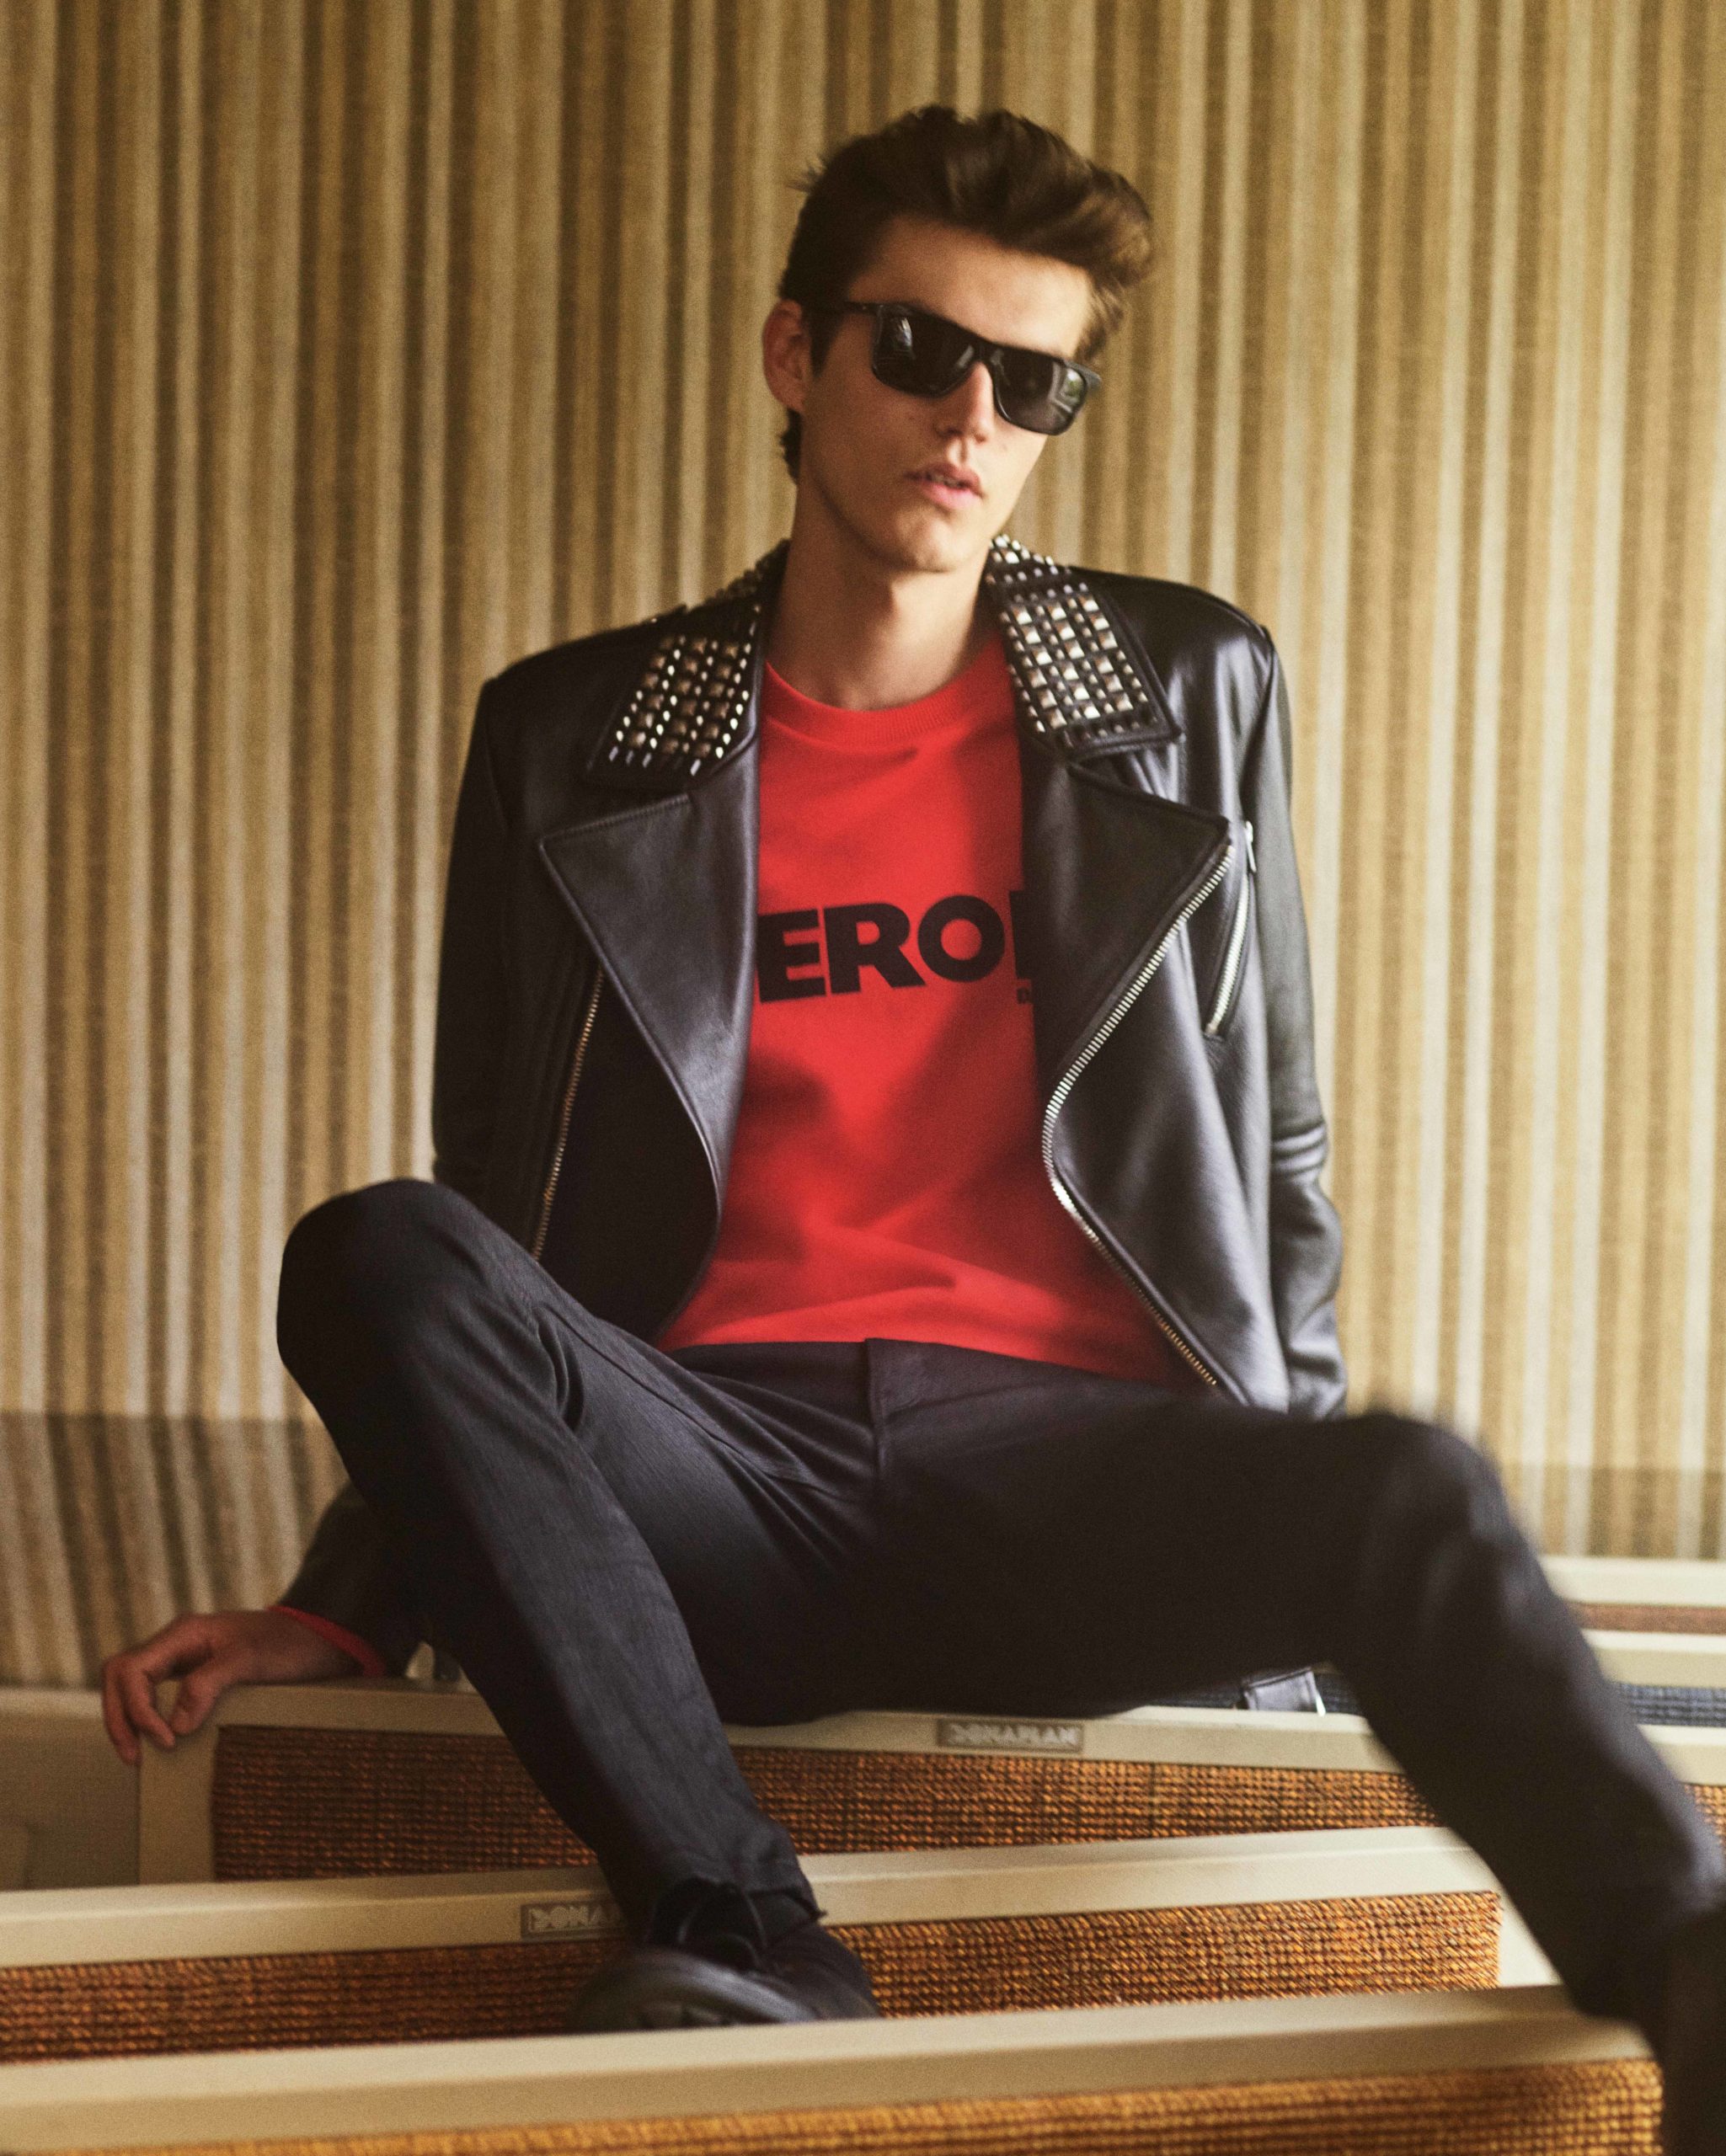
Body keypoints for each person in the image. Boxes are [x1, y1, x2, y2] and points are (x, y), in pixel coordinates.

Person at [102, 105, 1726, 2144]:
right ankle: (742, 1922)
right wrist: (356, 1592)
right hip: (717, 1475)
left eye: (1032, 382)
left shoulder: (1186, 688)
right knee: (377, 1246)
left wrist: (1285, 1546)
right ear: (795, 356)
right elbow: (497, 1214)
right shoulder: (571, 736)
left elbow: (1274, 1158)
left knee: (1403, 1479)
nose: (972, 417)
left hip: (1064, 1473)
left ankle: (1695, 1982)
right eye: (920, 351)